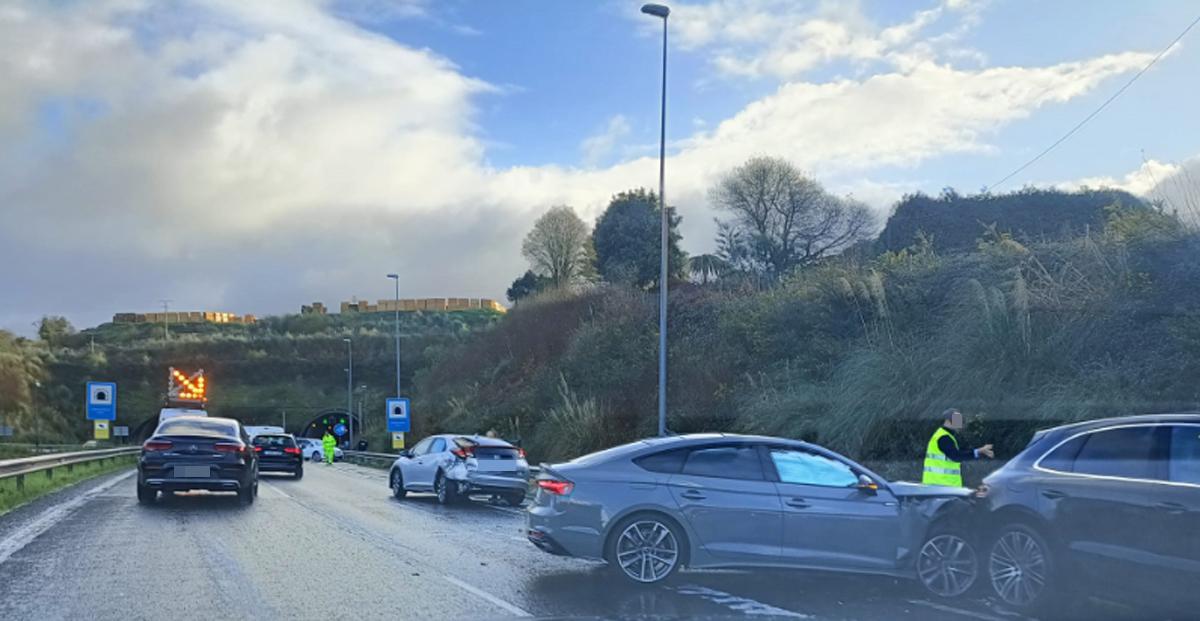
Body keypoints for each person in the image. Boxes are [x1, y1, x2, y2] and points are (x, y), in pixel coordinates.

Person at [923, 408, 994, 487]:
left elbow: (959, 452)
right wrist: (977, 452)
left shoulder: (944, 435)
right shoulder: (944, 437)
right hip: (942, 486)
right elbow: (956, 456)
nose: (960, 423)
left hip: (940, 485)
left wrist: (978, 451)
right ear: (948, 420)